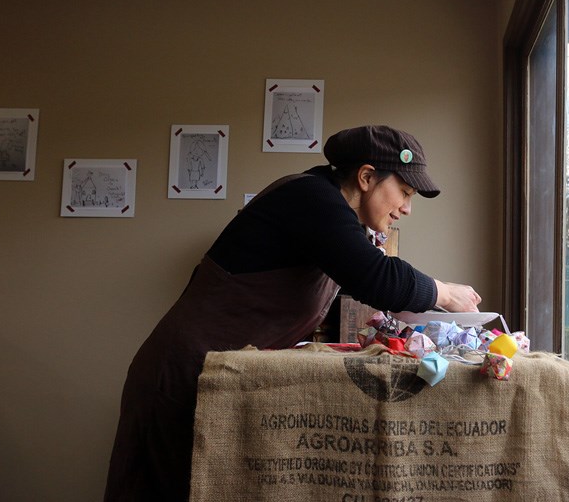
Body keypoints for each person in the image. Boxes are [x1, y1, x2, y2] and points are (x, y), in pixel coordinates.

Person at [103, 124, 482, 501]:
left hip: (212, 372)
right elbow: (377, 277)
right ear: (367, 177)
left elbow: (366, 279)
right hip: (181, 374)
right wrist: (446, 293)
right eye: (404, 192)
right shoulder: (312, 198)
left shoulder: (331, 215)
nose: (406, 208)